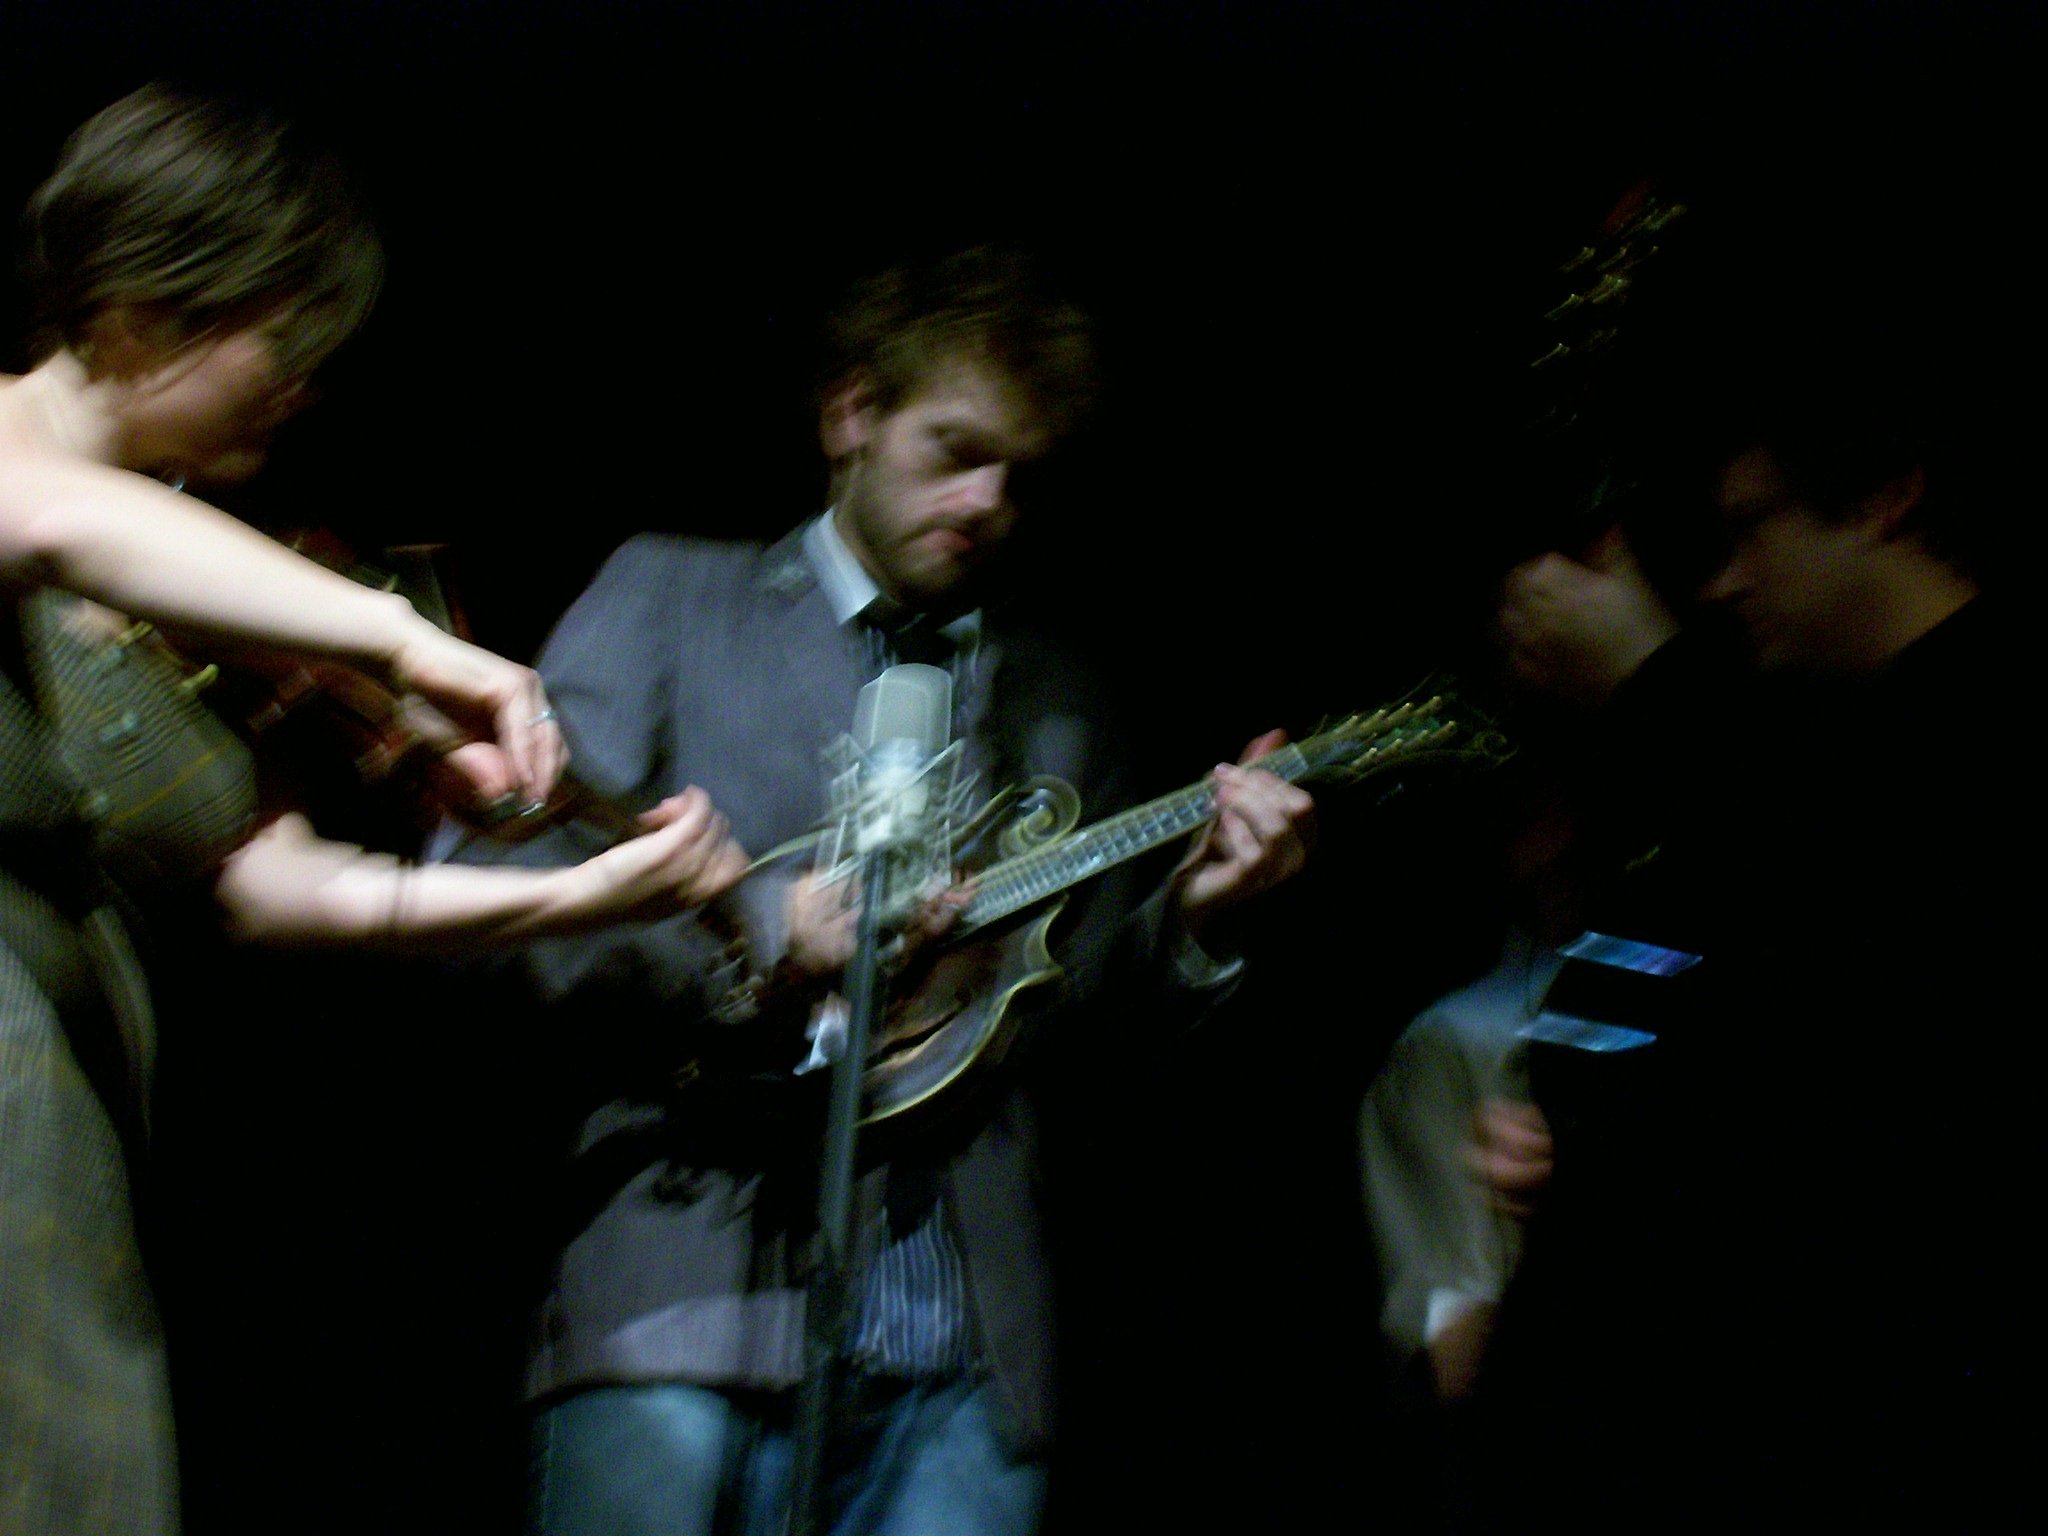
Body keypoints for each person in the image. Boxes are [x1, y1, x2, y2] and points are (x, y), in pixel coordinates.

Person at [442, 246, 1317, 1535]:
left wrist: (1198, 918)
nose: (987, 501)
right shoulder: (673, 596)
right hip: (683, 1296)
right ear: (851, 414)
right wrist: (756, 934)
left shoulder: (1059, 692)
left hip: (964, 1346)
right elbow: (489, 890)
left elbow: (1079, 1038)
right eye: (955, 451)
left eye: (1022, 474)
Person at [0, 85, 750, 1536]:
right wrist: (399, 641)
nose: (305, 391)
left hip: (74, 1124)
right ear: (144, 313)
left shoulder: (179, 599)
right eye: (284, 347)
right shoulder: (42, 494)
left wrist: (577, 895)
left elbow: (269, 887)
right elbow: (44, 515)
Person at [1482, 216, 2026, 1527]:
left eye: (1754, 527)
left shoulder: (1967, 747)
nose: (1723, 581)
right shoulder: (1816, 746)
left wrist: (1648, 685)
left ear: (1885, 497)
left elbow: (1871, 1051)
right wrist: (1601, 1132)